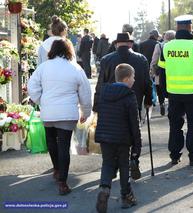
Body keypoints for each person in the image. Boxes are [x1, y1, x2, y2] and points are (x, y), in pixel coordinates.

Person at [28, 39, 92, 195]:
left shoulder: (43, 67)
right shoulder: (75, 68)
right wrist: (86, 111)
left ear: (52, 51)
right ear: (69, 50)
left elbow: (32, 86)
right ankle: (63, 182)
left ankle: (56, 169)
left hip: (48, 112)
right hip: (67, 113)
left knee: (51, 142)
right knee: (64, 145)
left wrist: (40, 100)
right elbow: (85, 92)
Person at [158, 15, 193, 166]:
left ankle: (174, 155)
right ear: (190, 27)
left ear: (177, 28)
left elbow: (161, 72)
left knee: (175, 125)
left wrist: (163, 93)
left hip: (174, 94)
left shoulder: (167, 47)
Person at [95, 63, 140, 212]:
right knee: (124, 165)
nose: (134, 80)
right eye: (133, 77)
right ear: (127, 79)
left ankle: (104, 189)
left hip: (105, 136)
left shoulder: (104, 92)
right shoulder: (129, 95)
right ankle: (126, 196)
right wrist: (137, 145)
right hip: (123, 137)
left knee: (107, 163)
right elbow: (134, 122)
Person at [93, 32, 152, 118]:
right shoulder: (141, 59)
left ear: (116, 44)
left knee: (115, 129)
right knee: (134, 128)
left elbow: (100, 84)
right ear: (130, 44)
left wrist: (96, 105)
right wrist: (148, 100)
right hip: (135, 101)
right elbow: (147, 82)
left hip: (112, 104)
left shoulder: (106, 60)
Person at [150, 30, 176, 116]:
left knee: (160, 90)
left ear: (165, 37)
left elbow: (154, 60)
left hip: (160, 72)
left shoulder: (159, 46)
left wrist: (153, 72)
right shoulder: (176, 46)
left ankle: (161, 103)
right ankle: (171, 106)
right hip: (173, 73)